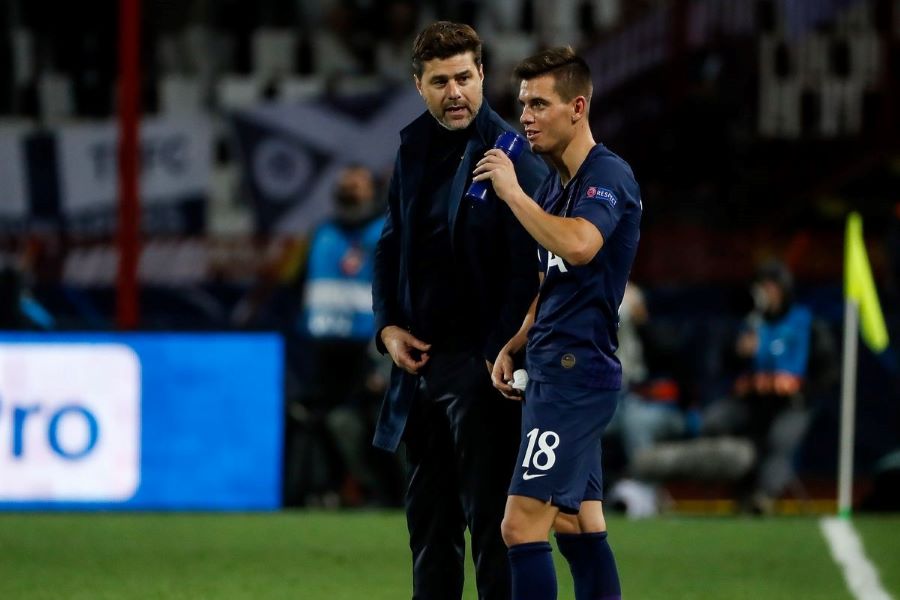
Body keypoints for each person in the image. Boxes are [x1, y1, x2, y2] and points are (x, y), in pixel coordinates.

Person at [371, 21, 549, 600]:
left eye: (466, 78)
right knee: (430, 530)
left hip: (483, 372)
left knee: (494, 534)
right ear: (419, 85)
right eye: (441, 81)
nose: (456, 93)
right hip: (421, 369)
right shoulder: (412, 147)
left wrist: (497, 356)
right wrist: (386, 328)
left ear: (482, 76)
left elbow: (533, 274)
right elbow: (391, 243)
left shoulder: (514, 156)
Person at [476, 47, 641, 600]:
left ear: (577, 107)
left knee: (519, 525)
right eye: (522, 103)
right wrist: (516, 341)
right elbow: (553, 278)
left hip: (575, 379)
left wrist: (512, 193)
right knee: (578, 523)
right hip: (552, 369)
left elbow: (581, 245)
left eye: (539, 104)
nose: (525, 116)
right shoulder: (555, 184)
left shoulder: (607, 175)